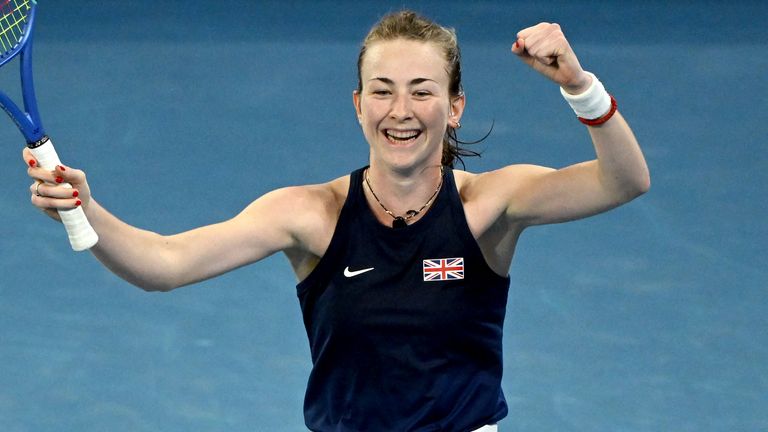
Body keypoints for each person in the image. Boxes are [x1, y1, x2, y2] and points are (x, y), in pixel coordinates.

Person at [23, 10, 649, 432]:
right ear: (357, 106)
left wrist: (579, 85)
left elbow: (625, 181)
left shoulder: (493, 205)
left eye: (422, 90)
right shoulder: (308, 215)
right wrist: (87, 209)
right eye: (382, 90)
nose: (401, 111)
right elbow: (164, 264)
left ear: (455, 107)